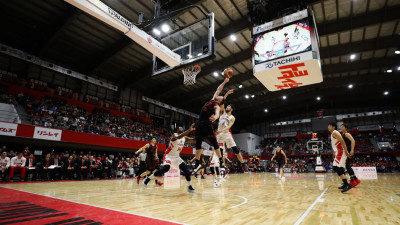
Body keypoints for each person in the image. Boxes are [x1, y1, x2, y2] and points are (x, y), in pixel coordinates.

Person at [143, 124, 196, 192]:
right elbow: (179, 137)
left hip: (177, 157)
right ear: (177, 130)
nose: (181, 128)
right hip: (169, 156)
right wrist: (189, 130)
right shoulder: (174, 135)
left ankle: (189, 186)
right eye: (180, 128)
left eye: (182, 128)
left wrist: (201, 136)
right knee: (165, 168)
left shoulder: (184, 138)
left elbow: (193, 140)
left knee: (187, 171)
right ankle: (148, 179)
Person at [192, 78, 230, 175]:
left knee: (214, 143)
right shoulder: (213, 99)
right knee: (198, 143)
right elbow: (219, 89)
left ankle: (221, 162)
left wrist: (216, 117)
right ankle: (197, 163)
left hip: (207, 124)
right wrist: (225, 82)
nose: (219, 95)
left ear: (220, 101)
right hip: (199, 123)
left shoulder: (216, 105)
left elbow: (217, 113)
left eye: (221, 97)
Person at [215, 91, 248, 173]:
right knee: (221, 151)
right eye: (227, 105)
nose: (227, 106)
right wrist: (227, 94)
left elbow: (229, 127)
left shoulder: (232, 117)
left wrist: (220, 131)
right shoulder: (222, 112)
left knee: (236, 150)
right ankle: (222, 166)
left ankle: (243, 164)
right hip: (219, 135)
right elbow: (222, 101)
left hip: (226, 133)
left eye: (229, 106)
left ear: (231, 109)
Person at [328, 122, 352, 193]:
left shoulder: (334, 133)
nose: (328, 127)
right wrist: (335, 151)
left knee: (336, 167)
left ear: (333, 127)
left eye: (329, 126)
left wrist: (346, 151)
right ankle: (345, 184)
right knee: (339, 167)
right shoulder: (333, 133)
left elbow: (342, 141)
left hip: (341, 152)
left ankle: (347, 184)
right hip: (338, 152)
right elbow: (337, 143)